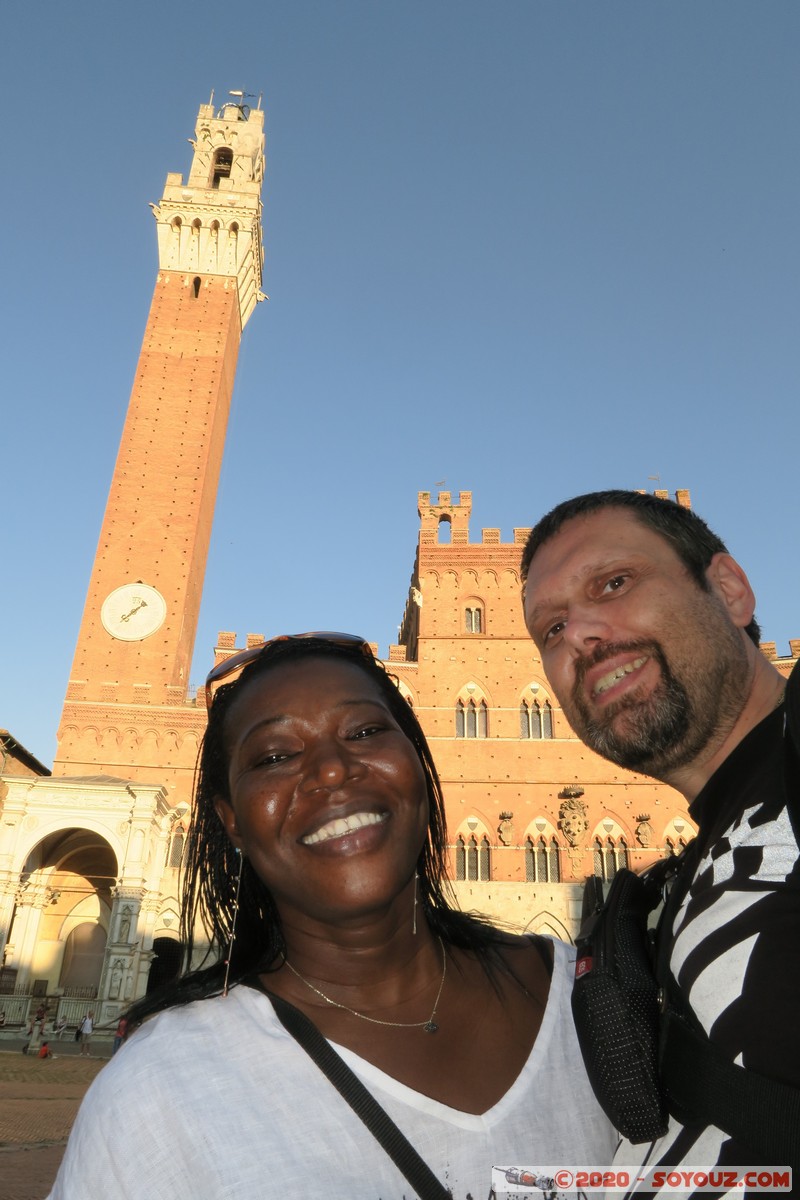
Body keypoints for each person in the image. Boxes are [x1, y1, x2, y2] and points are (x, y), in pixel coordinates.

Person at [49, 632, 615, 1200]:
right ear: (231, 822)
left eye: (365, 732)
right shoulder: (155, 1092)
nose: (331, 770)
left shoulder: (597, 998)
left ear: (418, 762)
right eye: (275, 756)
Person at [521, 490, 800, 1188]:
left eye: (613, 584)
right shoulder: (671, 887)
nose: (579, 635)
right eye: (550, 630)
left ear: (730, 590)